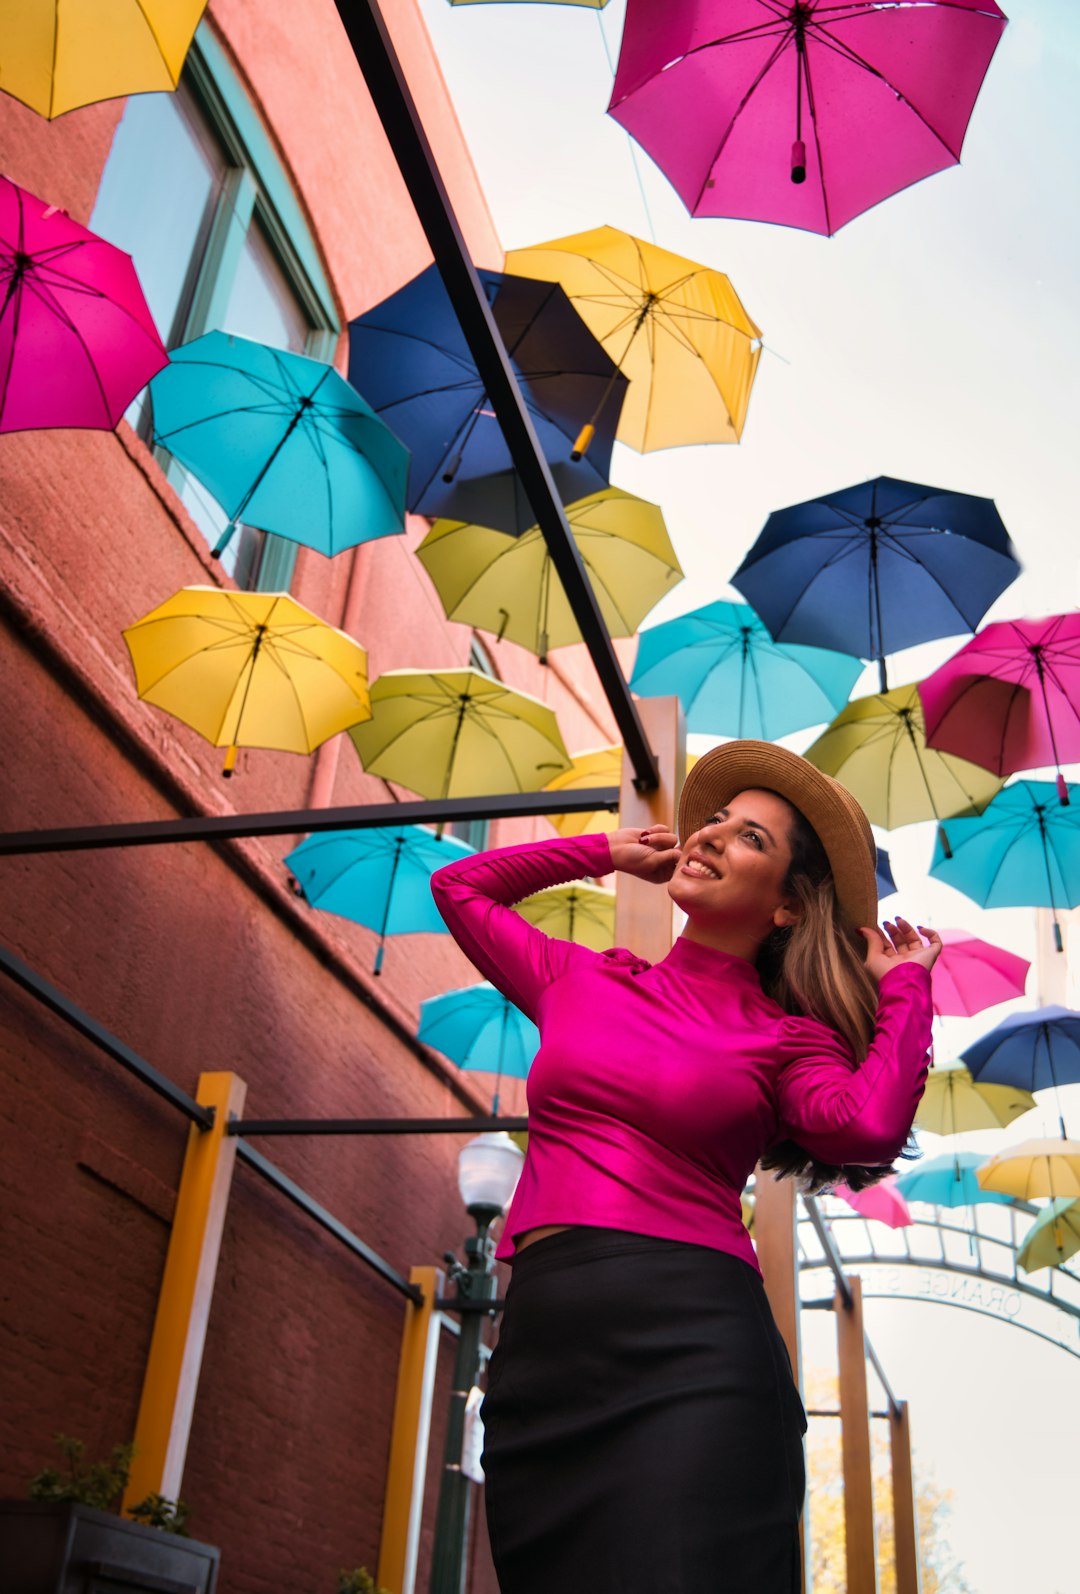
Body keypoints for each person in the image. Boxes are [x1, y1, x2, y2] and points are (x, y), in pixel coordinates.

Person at [430, 739, 939, 1594]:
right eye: (715, 821)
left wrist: (906, 989)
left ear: (785, 908)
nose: (709, 836)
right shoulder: (581, 980)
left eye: (750, 839)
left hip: (694, 1350)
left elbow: (867, 1127)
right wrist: (605, 851)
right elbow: (460, 886)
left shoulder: (785, 1039)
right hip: (545, 1346)